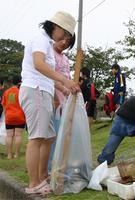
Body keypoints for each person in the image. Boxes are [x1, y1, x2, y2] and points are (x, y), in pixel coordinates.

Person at [19, 11, 79, 194]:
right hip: (35, 89)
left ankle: (42, 175)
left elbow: (48, 75)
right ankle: (33, 184)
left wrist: (63, 88)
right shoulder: (40, 39)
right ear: (57, 27)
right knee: (37, 137)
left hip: (43, 90)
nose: (65, 39)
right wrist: (65, 80)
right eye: (66, 34)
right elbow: (39, 64)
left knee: (49, 136)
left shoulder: (47, 43)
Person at [47, 33, 76, 174]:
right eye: (63, 39)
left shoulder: (65, 58)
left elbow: (67, 78)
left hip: (65, 102)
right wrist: (59, 94)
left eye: (68, 41)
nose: (64, 42)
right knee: (51, 137)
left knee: (62, 136)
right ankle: (49, 168)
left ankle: (59, 166)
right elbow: (49, 78)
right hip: (54, 100)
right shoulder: (49, 54)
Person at [1, 76, 25, 159]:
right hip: (20, 117)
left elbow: (4, 105)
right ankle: (16, 154)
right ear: (20, 82)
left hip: (9, 116)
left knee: (9, 135)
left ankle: (9, 155)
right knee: (18, 135)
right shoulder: (21, 92)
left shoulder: (7, 92)